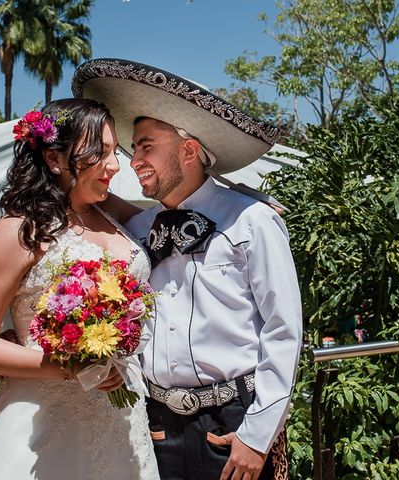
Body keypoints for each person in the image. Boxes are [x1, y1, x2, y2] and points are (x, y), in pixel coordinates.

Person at [73, 58, 303, 480]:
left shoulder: (254, 220)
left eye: (145, 146)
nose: (133, 160)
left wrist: (258, 435)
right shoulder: (139, 231)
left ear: (189, 149)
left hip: (234, 428)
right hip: (158, 428)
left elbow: (283, 330)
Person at [0, 98, 160, 480]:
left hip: (121, 418)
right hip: (41, 424)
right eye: (99, 154)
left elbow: (174, 214)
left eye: (115, 152)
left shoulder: (110, 212)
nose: (114, 166)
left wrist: (245, 204)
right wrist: (71, 367)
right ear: (53, 159)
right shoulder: (20, 231)